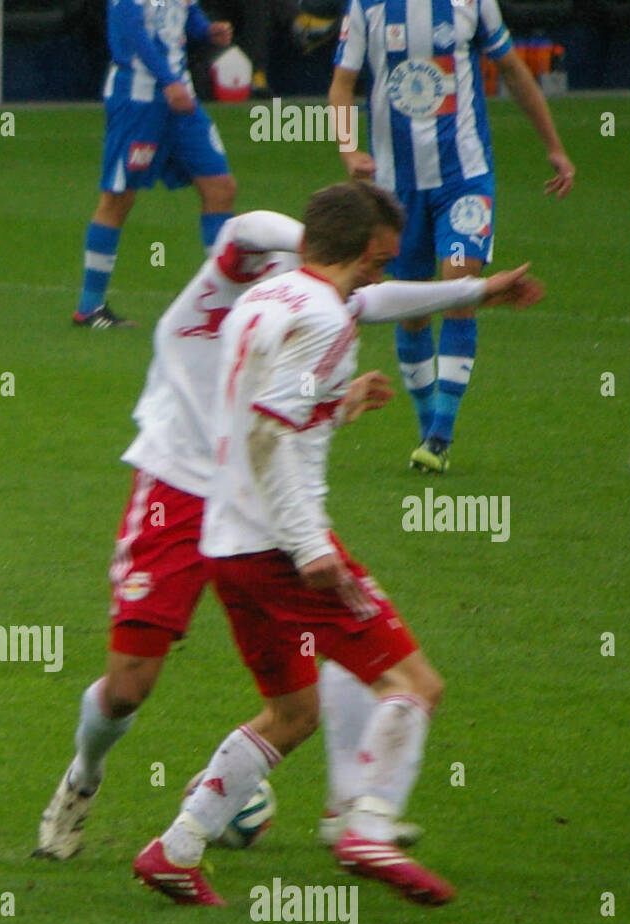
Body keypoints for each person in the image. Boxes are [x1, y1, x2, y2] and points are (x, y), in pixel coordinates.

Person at [38, 204, 540, 861]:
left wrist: (476, 289)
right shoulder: (243, 271)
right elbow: (245, 226)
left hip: (254, 501)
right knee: (129, 683)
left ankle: (350, 810)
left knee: (331, 648)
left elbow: (371, 298)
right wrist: (309, 242)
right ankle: (83, 777)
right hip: (175, 488)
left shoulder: (316, 296)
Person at [329, 0, 573, 474]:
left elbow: (515, 73)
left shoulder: (474, 3)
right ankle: (427, 429)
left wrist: (554, 148)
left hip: (464, 177)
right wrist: (347, 149)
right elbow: (341, 84)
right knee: (415, 307)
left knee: (458, 285)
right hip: (396, 186)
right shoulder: (367, 7)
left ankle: (439, 438)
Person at [74, 0, 236, 329]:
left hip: (180, 99)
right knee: (119, 197)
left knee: (220, 187)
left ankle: (223, 303)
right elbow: (131, 31)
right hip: (139, 100)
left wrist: (206, 29)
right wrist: (168, 81)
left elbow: (183, 12)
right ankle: (89, 307)